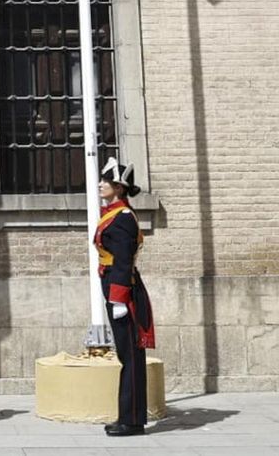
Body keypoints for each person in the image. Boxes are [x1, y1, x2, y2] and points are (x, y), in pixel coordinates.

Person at [96, 156, 154, 438]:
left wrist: (118, 297)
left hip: (123, 289)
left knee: (131, 355)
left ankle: (132, 421)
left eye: (105, 181)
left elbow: (122, 259)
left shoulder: (122, 218)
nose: (99, 185)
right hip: (114, 285)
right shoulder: (115, 214)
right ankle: (127, 415)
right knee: (126, 354)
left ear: (118, 187)